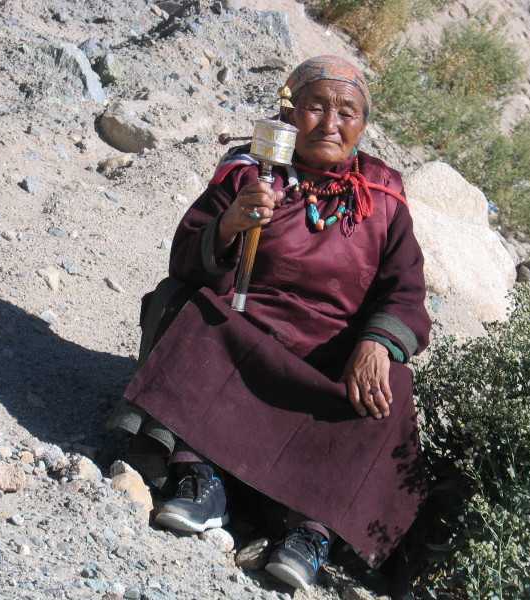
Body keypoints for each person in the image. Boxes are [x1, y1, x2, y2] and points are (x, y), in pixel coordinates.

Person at [109, 55, 431, 591]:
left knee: (392, 382)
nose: (330, 124)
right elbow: (186, 259)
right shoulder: (250, 171)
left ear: (363, 126)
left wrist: (377, 342)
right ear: (289, 111)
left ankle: (310, 530)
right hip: (243, 347)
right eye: (314, 107)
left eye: (346, 112)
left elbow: (407, 291)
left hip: (325, 370)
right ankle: (198, 476)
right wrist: (232, 221)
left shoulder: (383, 198)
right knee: (179, 302)